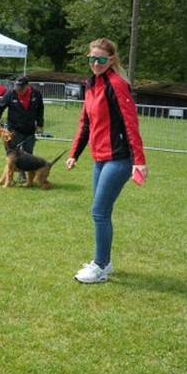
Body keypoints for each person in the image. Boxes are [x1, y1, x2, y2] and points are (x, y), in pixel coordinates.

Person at [66, 38, 147, 284]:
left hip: (119, 159)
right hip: (99, 158)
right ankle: (105, 262)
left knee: (99, 212)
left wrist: (139, 160)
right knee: (102, 212)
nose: (95, 64)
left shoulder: (117, 84)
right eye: (91, 59)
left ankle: (100, 266)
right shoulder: (91, 84)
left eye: (101, 59)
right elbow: (85, 123)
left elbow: (131, 123)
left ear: (111, 60)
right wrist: (73, 154)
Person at [0, 75, 45, 181]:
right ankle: (9, 179)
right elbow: (0, 106)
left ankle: (27, 178)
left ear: (27, 86)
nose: (19, 90)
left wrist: (40, 124)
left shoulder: (36, 94)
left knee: (28, 155)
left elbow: (40, 109)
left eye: (21, 88)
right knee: (12, 157)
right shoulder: (11, 94)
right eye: (17, 87)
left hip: (29, 130)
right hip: (14, 130)